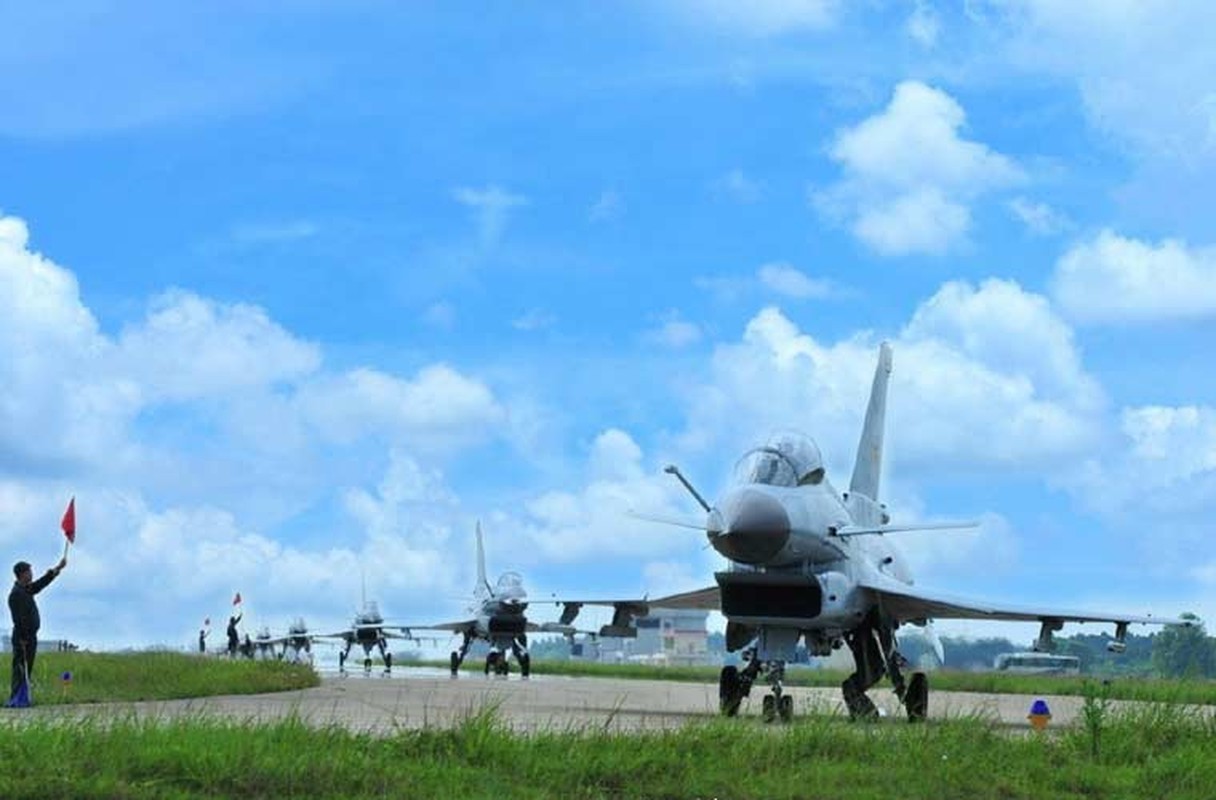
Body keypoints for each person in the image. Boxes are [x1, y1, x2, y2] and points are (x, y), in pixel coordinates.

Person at [8, 557, 67, 705]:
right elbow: (18, 619)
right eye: (29, 572)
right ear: (22, 574)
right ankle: (16, 699)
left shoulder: (26, 589)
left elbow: (41, 584)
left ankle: (23, 699)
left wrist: (57, 569)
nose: (31, 574)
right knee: (21, 669)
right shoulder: (16, 594)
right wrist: (23, 638)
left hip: (30, 637)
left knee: (28, 669)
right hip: (23, 638)